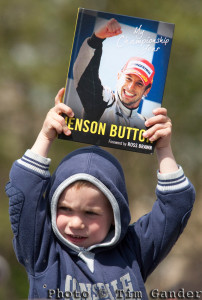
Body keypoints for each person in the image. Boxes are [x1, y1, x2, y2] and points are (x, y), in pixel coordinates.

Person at [5, 88, 195, 299]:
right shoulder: (42, 251)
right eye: (65, 209)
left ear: (114, 216)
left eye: (91, 213)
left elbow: (177, 205)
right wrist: (46, 135)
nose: (76, 223)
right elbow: (23, 189)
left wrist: (163, 148)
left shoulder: (134, 250)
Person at [73, 18, 155, 129]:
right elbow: (83, 78)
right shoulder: (103, 101)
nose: (130, 87)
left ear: (147, 90)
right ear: (118, 76)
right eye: (128, 78)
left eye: (139, 84)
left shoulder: (147, 126)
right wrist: (96, 40)